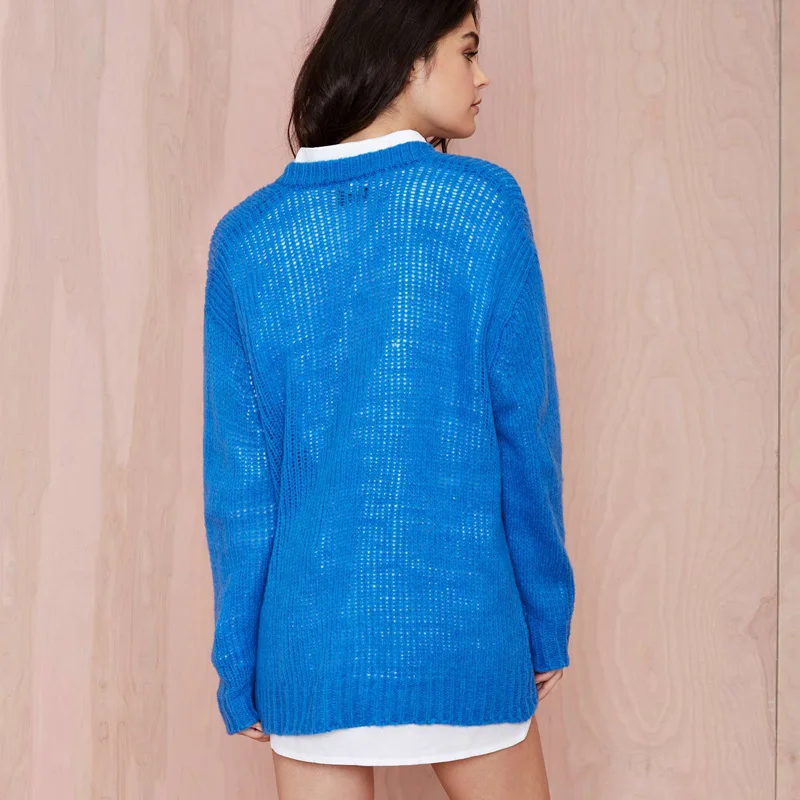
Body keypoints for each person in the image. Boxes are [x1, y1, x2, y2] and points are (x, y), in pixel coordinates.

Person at [201, 1, 576, 798]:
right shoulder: (483, 206)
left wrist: (241, 663)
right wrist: (545, 620)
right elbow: (527, 439)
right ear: (408, 57)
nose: (483, 77)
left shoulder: (247, 238)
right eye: (468, 51)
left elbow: (241, 489)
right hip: (466, 633)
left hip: (308, 650)